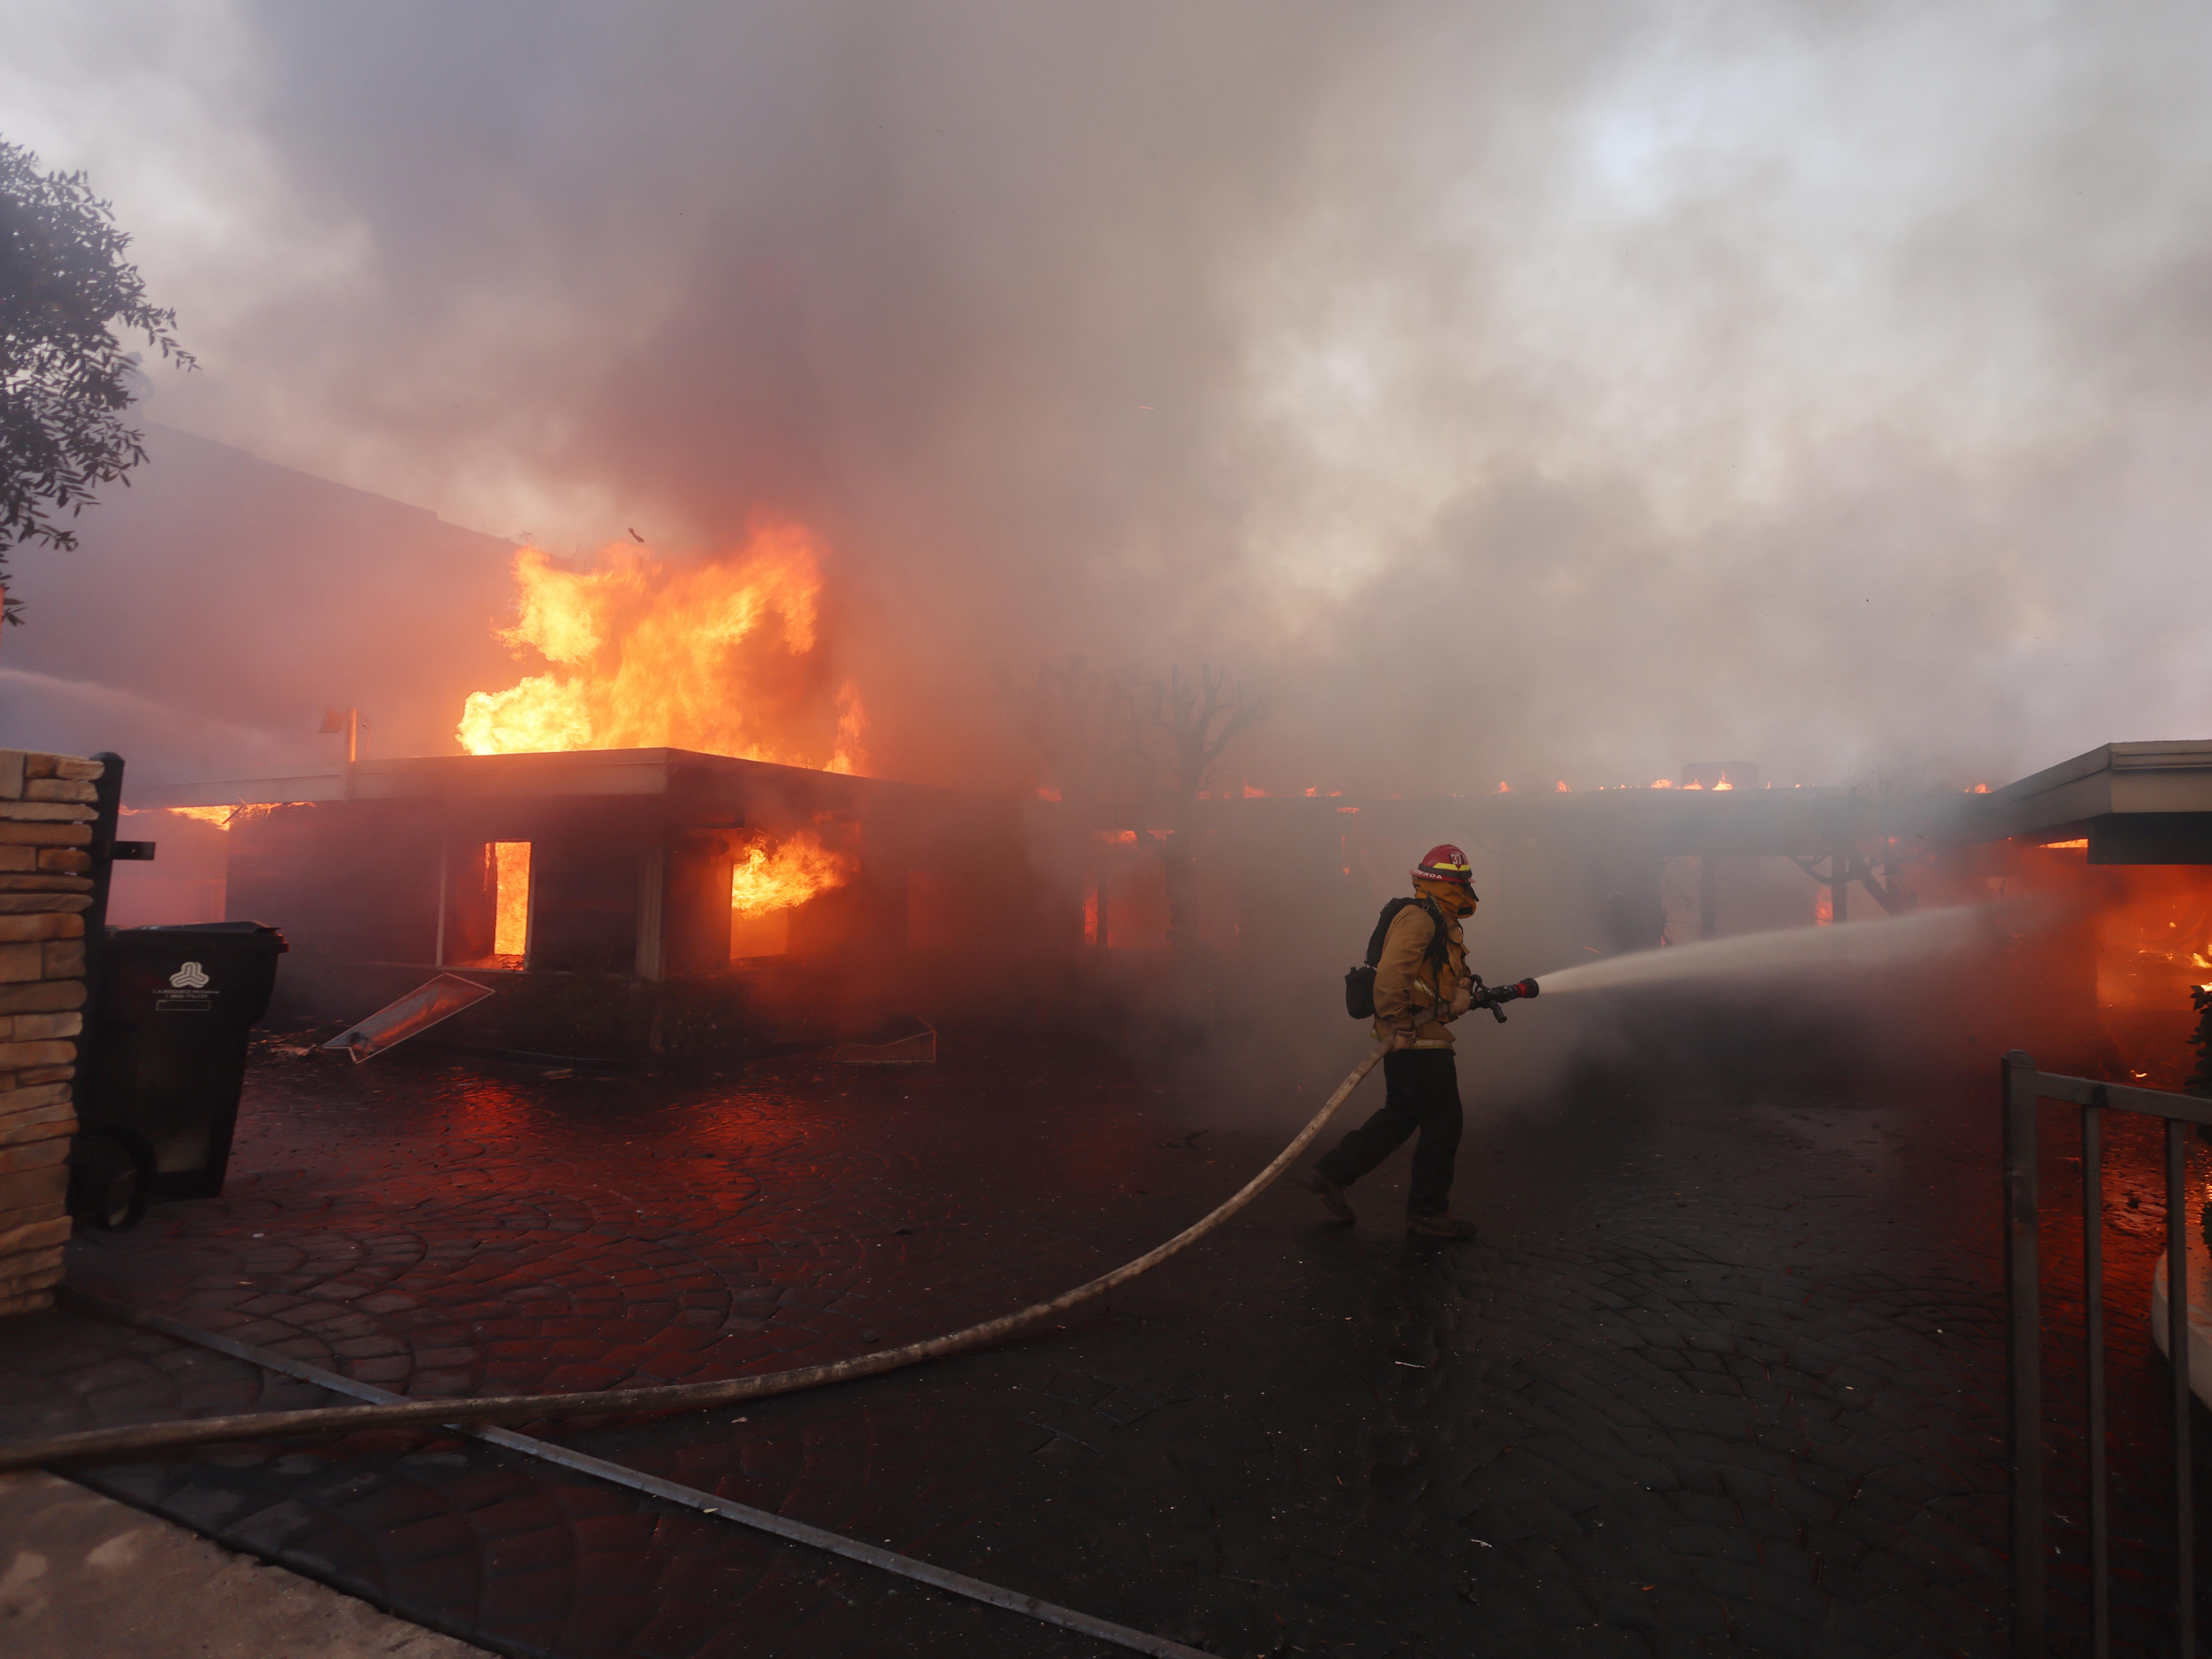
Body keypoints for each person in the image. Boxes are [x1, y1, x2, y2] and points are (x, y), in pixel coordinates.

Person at [1308, 844, 1484, 1239]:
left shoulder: (1441, 920)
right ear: (1445, 884)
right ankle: (1427, 1213)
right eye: (1460, 884)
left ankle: (1333, 1174)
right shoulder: (1419, 919)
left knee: (1401, 1116)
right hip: (1415, 1038)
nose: (1464, 892)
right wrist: (1399, 1025)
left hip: (1423, 1033)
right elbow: (1390, 977)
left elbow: (1445, 968)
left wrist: (1462, 987)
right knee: (1444, 1123)